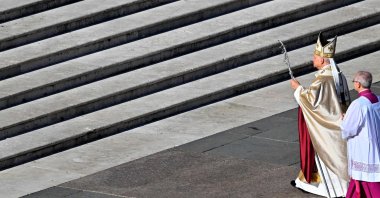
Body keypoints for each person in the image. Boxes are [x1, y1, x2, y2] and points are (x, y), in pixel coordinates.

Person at [289, 32, 351, 197]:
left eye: (315, 56)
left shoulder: (324, 81)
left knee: (329, 155)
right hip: (339, 121)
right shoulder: (338, 75)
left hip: (328, 127)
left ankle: (336, 189)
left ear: (323, 60)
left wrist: (298, 88)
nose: (312, 59)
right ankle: (306, 181)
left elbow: (312, 102)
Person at [341, 71, 380, 197]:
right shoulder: (377, 99)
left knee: (369, 182)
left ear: (358, 84)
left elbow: (348, 129)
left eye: (354, 81)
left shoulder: (358, 104)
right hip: (376, 144)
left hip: (364, 150)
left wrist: (342, 120)